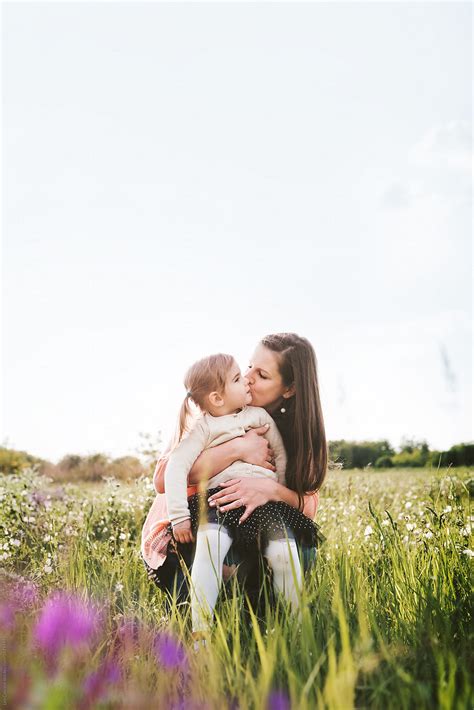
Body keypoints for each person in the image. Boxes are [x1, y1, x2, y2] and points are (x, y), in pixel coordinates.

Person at [141, 332, 327, 613]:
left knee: (301, 549)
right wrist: (238, 448)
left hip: (249, 525)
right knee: (213, 544)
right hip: (189, 527)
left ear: (288, 389)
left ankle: (264, 613)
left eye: (262, 374)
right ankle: (199, 614)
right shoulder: (211, 406)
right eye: (250, 365)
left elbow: (308, 505)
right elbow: (162, 479)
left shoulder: (294, 431)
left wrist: (270, 490)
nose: (249, 376)